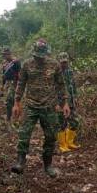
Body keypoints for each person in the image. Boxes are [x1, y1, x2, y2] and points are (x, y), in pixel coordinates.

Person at [10, 38, 70, 178]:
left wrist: (65, 103)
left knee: (50, 136)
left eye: (42, 56)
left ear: (46, 53)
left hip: (49, 107)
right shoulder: (27, 65)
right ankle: (20, 162)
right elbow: (21, 84)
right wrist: (16, 103)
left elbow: (61, 85)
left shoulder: (54, 65)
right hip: (31, 105)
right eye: (37, 56)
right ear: (34, 53)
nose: (40, 59)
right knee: (24, 134)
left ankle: (48, 164)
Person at [57, 52, 81, 152]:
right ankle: (62, 145)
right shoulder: (56, 73)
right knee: (61, 123)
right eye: (62, 62)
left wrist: (75, 97)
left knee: (75, 121)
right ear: (59, 62)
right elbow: (52, 89)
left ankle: (70, 142)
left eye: (65, 62)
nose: (64, 64)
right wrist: (56, 103)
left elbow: (73, 86)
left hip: (71, 102)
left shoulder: (70, 72)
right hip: (60, 102)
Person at [1, 48, 21, 122]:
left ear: (9, 54)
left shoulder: (16, 62)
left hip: (14, 82)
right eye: (3, 55)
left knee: (10, 99)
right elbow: (4, 75)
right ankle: (12, 115)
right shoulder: (4, 63)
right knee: (11, 100)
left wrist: (19, 85)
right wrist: (2, 85)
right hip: (7, 83)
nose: (4, 56)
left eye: (5, 54)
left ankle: (9, 117)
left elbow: (19, 74)